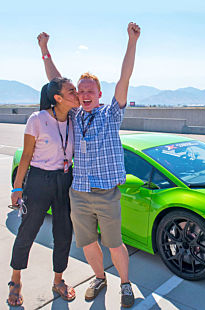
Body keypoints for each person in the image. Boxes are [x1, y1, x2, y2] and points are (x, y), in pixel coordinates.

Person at [37, 22, 140, 308]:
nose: (84, 94)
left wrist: (131, 42)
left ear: (99, 94)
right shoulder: (74, 116)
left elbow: (125, 78)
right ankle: (99, 277)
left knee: (114, 243)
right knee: (87, 243)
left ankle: (125, 284)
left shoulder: (111, 115)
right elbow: (56, 82)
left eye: (90, 90)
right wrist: (45, 50)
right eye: (80, 91)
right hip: (78, 194)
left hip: (106, 193)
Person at [8, 78, 80, 306]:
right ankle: (15, 280)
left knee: (63, 233)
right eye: (71, 91)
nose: (76, 93)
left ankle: (58, 280)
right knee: (27, 231)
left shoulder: (73, 120)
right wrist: (17, 187)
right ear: (58, 98)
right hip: (39, 180)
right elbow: (26, 157)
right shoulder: (37, 119)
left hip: (64, 181)